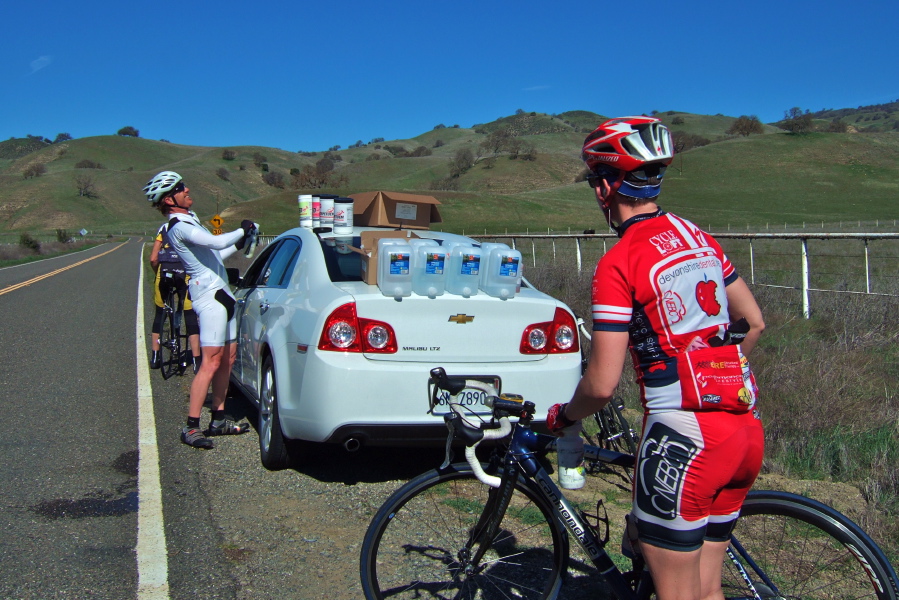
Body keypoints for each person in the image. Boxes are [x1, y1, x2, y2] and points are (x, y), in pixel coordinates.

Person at [546, 117, 766, 600]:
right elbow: (753, 323)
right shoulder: (698, 237)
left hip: (684, 439)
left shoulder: (619, 261)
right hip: (744, 429)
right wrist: (719, 377)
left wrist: (564, 417)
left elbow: (602, 385)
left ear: (606, 187)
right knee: (707, 591)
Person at [143, 170, 256, 449]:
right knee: (211, 362)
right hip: (209, 297)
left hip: (223, 293)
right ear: (169, 199)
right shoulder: (178, 226)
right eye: (180, 187)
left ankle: (218, 419)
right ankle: (191, 427)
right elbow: (217, 242)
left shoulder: (191, 219)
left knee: (227, 360)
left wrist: (239, 243)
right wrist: (243, 229)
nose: (187, 189)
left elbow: (216, 255)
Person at [149, 221, 201, 374]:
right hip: (185, 274)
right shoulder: (191, 226)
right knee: (190, 315)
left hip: (164, 272)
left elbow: (153, 259)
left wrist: (157, 274)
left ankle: (155, 357)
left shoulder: (164, 228)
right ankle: (197, 360)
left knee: (160, 314)